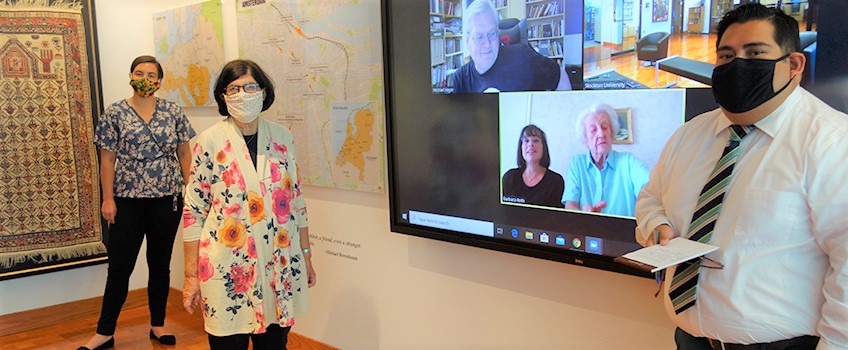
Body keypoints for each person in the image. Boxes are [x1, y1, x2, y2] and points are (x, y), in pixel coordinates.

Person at [635, 4, 848, 349]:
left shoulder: (832, 142)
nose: (737, 65)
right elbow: (650, 197)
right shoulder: (689, 135)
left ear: (794, 64)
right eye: (726, 55)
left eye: (754, 53)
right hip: (690, 339)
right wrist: (657, 225)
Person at [181, 59, 316, 350]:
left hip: (278, 265)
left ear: (264, 91)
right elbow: (193, 210)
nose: (244, 94)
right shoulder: (209, 142)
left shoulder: (282, 138)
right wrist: (191, 276)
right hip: (227, 269)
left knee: (275, 345)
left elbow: (296, 201)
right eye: (235, 88)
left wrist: (306, 255)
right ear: (223, 96)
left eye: (251, 86)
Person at [81, 55, 195, 350]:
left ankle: (158, 324)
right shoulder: (115, 114)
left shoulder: (172, 112)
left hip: (166, 199)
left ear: (160, 80)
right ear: (130, 75)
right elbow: (107, 159)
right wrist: (108, 199)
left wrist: (192, 191)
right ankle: (104, 332)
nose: (145, 78)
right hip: (126, 199)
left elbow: (184, 154)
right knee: (120, 266)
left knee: (160, 265)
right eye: (139, 72)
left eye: (152, 74)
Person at [451, 0, 571, 93]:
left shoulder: (523, 57)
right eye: (479, 37)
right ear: (467, 41)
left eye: (492, 34)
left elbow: (560, 77)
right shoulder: (461, 79)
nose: (487, 44)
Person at [563, 103, 649, 217]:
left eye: (604, 127)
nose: (601, 134)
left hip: (622, 232)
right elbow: (570, 204)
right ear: (585, 140)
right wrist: (582, 212)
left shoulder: (628, 162)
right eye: (593, 130)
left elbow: (650, 188)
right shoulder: (577, 163)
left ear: (612, 134)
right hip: (586, 230)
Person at [502, 124, 564, 208]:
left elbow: (557, 219)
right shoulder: (509, 178)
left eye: (536, 140)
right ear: (521, 147)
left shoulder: (556, 181)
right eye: (526, 141)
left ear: (544, 147)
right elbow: (500, 214)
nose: (530, 144)